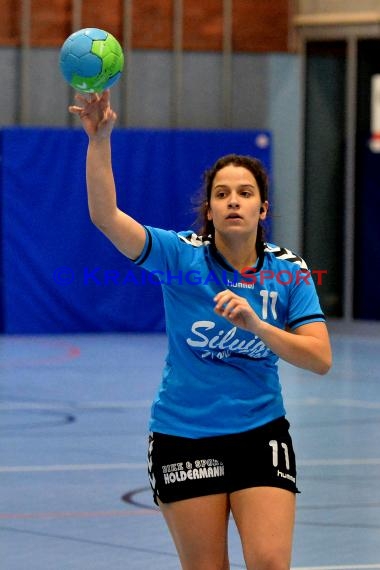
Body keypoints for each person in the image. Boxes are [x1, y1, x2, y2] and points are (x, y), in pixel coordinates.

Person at [69, 90, 332, 570]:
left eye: (245, 193)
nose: (234, 201)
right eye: (222, 194)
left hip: (260, 430)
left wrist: (255, 324)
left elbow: (319, 358)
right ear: (209, 209)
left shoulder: (289, 272)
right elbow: (105, 217)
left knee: (271, 562)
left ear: (263, 210)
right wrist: (100, 140)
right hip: (184, 435)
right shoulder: (179, 255)